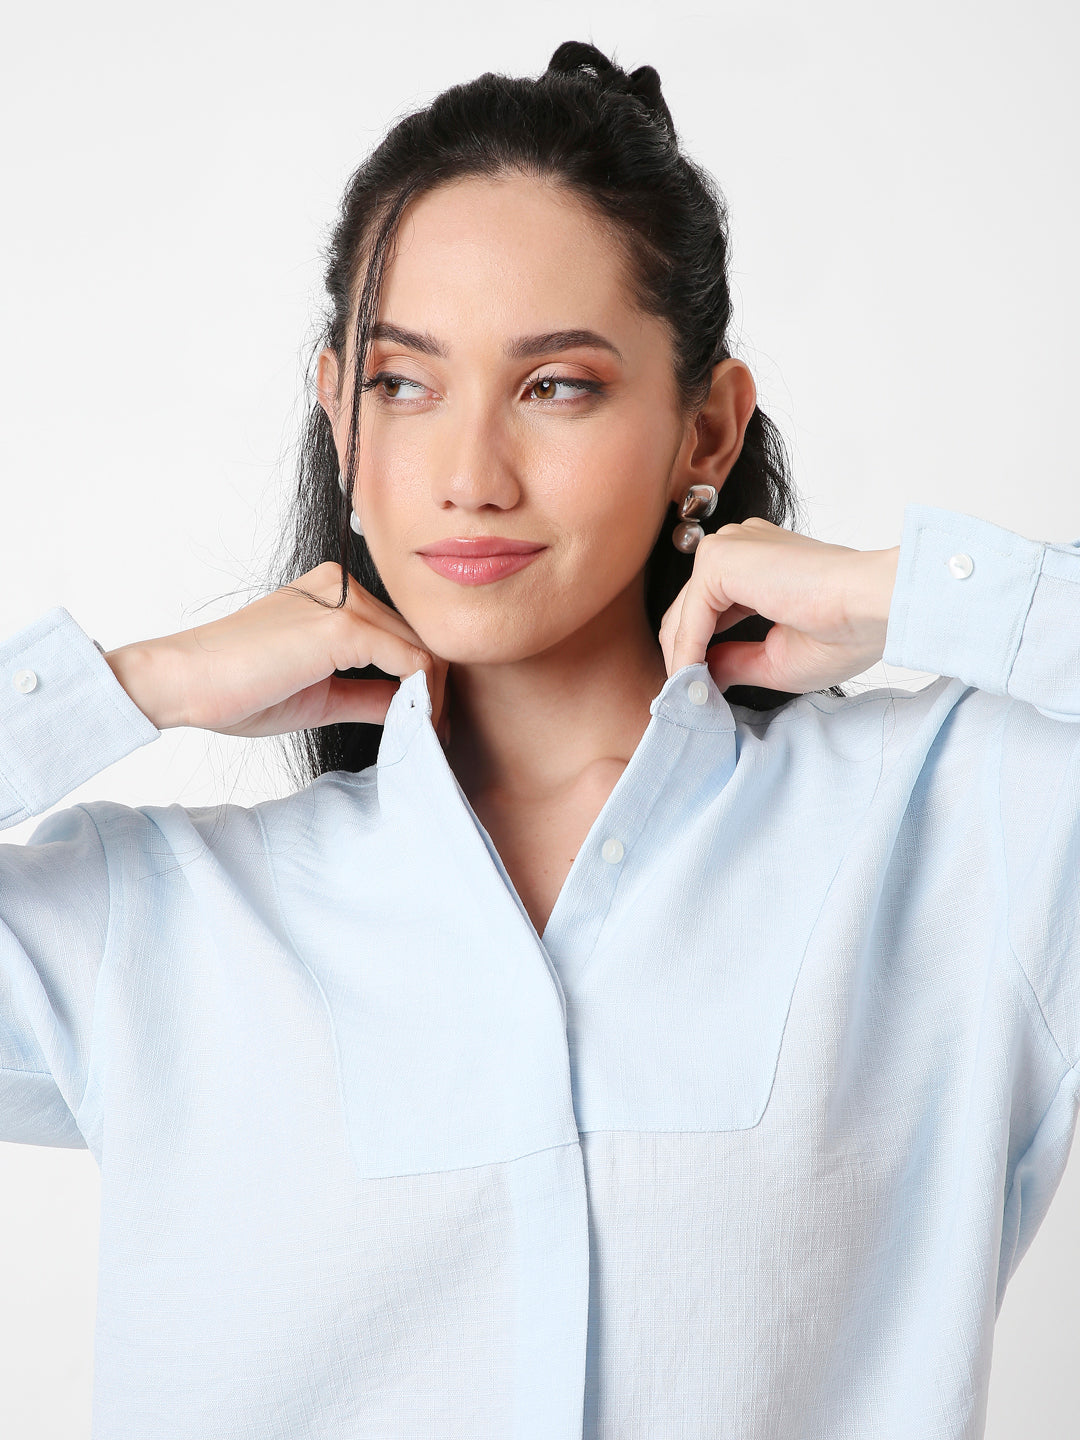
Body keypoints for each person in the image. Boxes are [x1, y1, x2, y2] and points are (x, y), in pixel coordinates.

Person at [1, 38, 1077, 1440]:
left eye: (557, 385)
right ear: (339, 414)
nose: (469, 476)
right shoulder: (157, 920)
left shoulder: (954, 833)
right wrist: (136, 682)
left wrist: (905, 595)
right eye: (404, 385)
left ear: (707, 428)